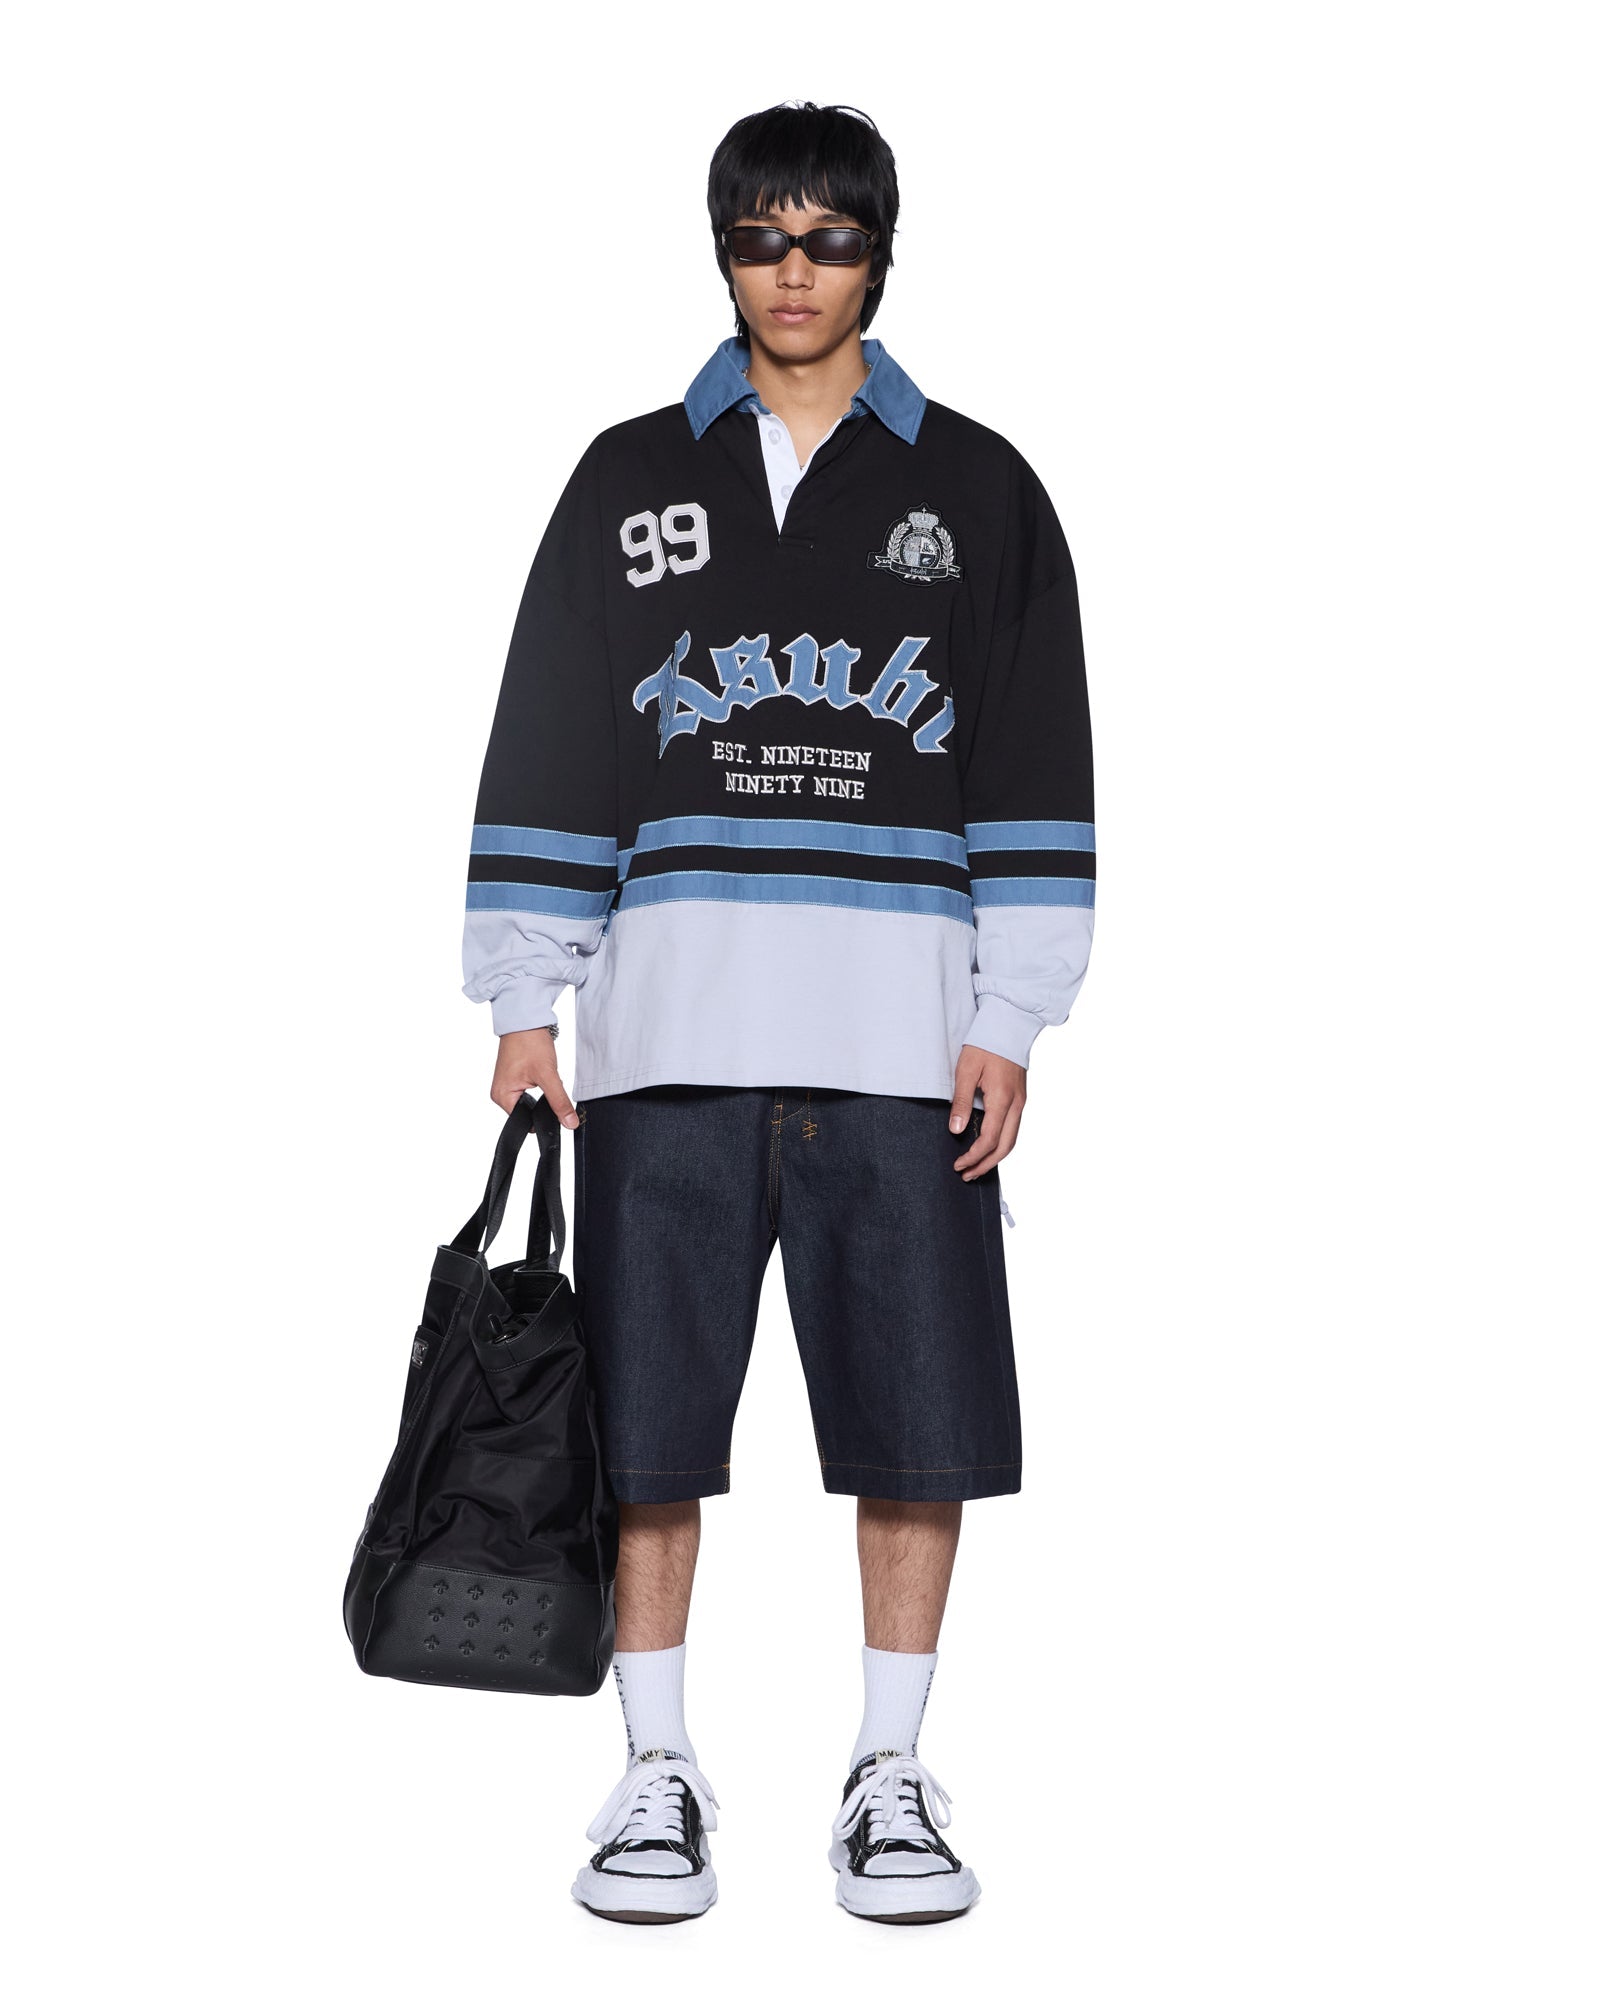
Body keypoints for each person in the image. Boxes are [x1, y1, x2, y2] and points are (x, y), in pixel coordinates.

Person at [461, 99, 1095, 1925]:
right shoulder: (629, 478)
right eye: (762, 238)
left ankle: (891, 1773)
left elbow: (1031, 757)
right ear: (723, 252)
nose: (793, 271)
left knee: (918, 1428)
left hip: (902, 1046)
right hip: (667, 1038)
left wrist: (1012, 1013)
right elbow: (556, 730)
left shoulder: (979, 489)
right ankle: (654, 1770)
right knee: (645, 1430)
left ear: (879, 257)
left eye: (828, 239)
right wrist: (527, 992)